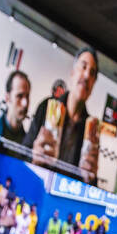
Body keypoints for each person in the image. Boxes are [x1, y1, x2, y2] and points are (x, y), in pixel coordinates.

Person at [23, 48, 100, 182]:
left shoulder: (91, 130)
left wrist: (91, 178)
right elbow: (22, 155)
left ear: (93, 84)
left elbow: (89, 183)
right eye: (83, 67)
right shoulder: (46, 107)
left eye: (92, 73)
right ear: (72, 72)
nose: (87, 75)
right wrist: (33, 158)